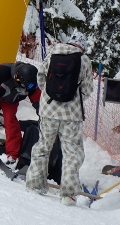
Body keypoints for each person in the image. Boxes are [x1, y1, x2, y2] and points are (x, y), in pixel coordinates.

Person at [25, 30, 93, 205]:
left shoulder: (52, 54)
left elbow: (41, 78)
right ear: (82, 46)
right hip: (72, 115)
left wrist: (50, 96)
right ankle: (68, 194)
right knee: (72, 152)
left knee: (43, 146)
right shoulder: (84, 60)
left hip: (48, 111)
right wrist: (74, 99)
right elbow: (87, 89)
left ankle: (35, 184)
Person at [0, 61, 41, 162]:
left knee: (10, 121)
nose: (29, 88)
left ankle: (13, 154)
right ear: (18, 78)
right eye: (27, 86)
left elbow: (38, 102)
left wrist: (43, 116)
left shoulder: (31, 83)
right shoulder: (1, 73)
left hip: (11, 100)